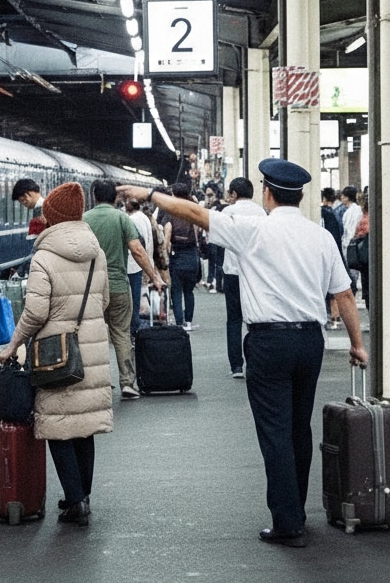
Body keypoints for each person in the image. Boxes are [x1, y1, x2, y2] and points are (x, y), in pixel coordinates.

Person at [118, 159, 367, 547]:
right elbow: (345, 294)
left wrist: (149, 194)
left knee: (275, 432)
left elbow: (194, 212)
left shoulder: (252, 230)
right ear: (299, 197)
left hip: (268, 343)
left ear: (267, 193)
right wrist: (357, 344)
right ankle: (296, 509)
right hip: (309, 342)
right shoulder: (320, 236)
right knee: (300, 429)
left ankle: (287, 523)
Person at [0, 182, 111, 526]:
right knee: (84, 426)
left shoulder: (44, 256)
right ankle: (82, 496)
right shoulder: (97, 253)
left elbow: (34, 313)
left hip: (55, 353)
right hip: (90, 347)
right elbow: (103, 302)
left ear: (54, 217)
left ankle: (76, 501)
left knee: (58, 426)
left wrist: (13, 344)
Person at [83, 179, 163, 400]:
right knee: (121, 334)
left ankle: (100, 382)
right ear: (115, 198)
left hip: (92, 289)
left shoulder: (84, 220)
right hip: (118, 285)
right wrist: (155, 277)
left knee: (93, 335)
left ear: (95, 197)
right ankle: (128, 383)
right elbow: (137, 250)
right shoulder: (121, 218)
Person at [220, 177, 266, 378]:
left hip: (232, 272)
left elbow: (220, 241)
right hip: (256, 273)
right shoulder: (261, 212)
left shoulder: (227, 212)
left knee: (234, 320)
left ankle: (236, 366)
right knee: (255, 318)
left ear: (234, 194)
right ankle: (256, 362)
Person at [161, 183, 202, 330]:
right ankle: (189, 323)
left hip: (177, 257)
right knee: (189, 291)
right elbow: (197, 236)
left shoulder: (170, 214)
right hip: (192, 257)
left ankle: (180, 323)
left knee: (176, 292)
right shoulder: (193, 212)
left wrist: (164, 259)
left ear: (174, 195)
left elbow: (166, 241)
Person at [124, 196, 154, 344]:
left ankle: (133, 332)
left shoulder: (133, 220)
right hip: (140, 263)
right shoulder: (144, 218)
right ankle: (134, 330)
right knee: (135, 301)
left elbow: (137, 245)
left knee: (133, 302)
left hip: (133, 265)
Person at [320, 186, 346, 329]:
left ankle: (333, 317)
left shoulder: (323, 213)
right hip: (336, 250)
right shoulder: (335, 213)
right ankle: (335, 318)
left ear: (324, 199)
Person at [340, 185, 362, 295]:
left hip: (350, 245)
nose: (342, 199)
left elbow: (349, 230)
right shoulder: (355, 210)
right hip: (351, 244)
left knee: (352, 271)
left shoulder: (351, 211)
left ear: (347, 197)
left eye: (343, 196)